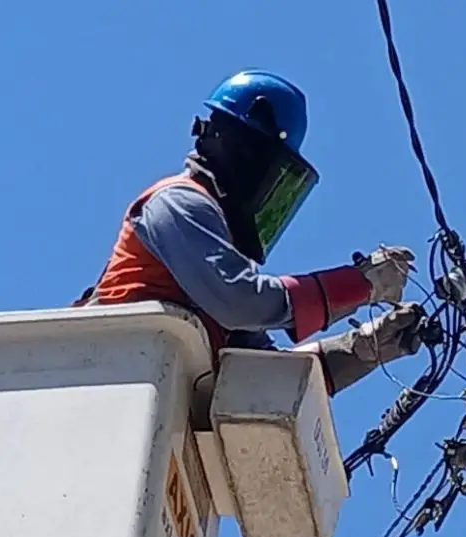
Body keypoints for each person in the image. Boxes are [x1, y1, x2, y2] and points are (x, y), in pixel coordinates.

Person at [74, 69, 425, 396]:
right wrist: (359, 284)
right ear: (245, 152)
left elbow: (266, 380)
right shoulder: (179, 203)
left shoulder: (217, 257)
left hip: (152, 403)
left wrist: (363, 348)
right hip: (109, 388)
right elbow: (242, 301)